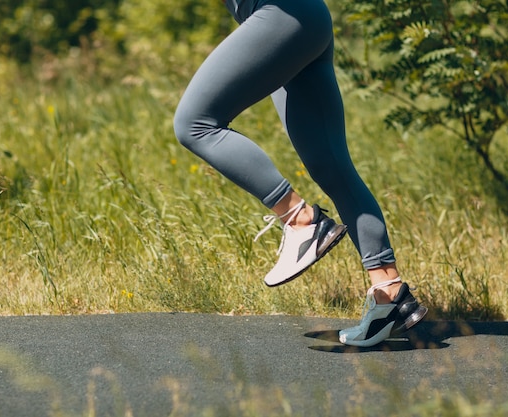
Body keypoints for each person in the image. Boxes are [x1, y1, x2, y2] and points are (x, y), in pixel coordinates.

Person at [173, 0, 427, 347]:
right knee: (331, 165)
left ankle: (301, 220)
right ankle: (390, 293)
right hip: (305, 21)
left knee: (194, 123)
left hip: (281, 17)